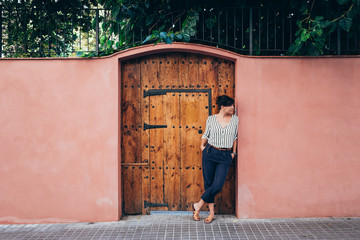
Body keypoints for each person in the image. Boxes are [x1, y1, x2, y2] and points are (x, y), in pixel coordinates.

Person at [192, 95, 239, 223]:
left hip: (225, 155)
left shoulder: (235, 119)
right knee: (209, 184)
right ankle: (211, 214)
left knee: (217, 185)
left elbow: (235, 137)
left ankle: (198, 205)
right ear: (223, 107)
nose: (233, 108)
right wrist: (202, 146)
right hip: (210, 153)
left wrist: (233, 153)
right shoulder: (211, 119)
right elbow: (206, 134)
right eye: (231, 106)